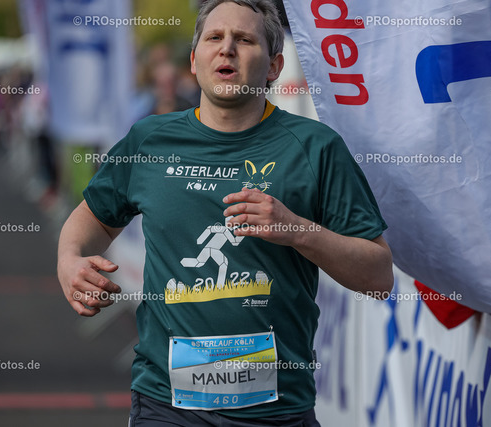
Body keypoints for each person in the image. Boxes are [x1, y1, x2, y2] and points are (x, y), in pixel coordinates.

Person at [57, 0, 393, 425]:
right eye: (214, 37)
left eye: (245, 39)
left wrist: (296, 229)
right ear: (193, 61)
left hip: (277, 412)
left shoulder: (316, 148)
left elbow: (378, 277)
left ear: (274, 67)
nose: (227, 48)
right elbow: (92, 219)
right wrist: (68, 260)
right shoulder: (149, 141)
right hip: (167, 406)